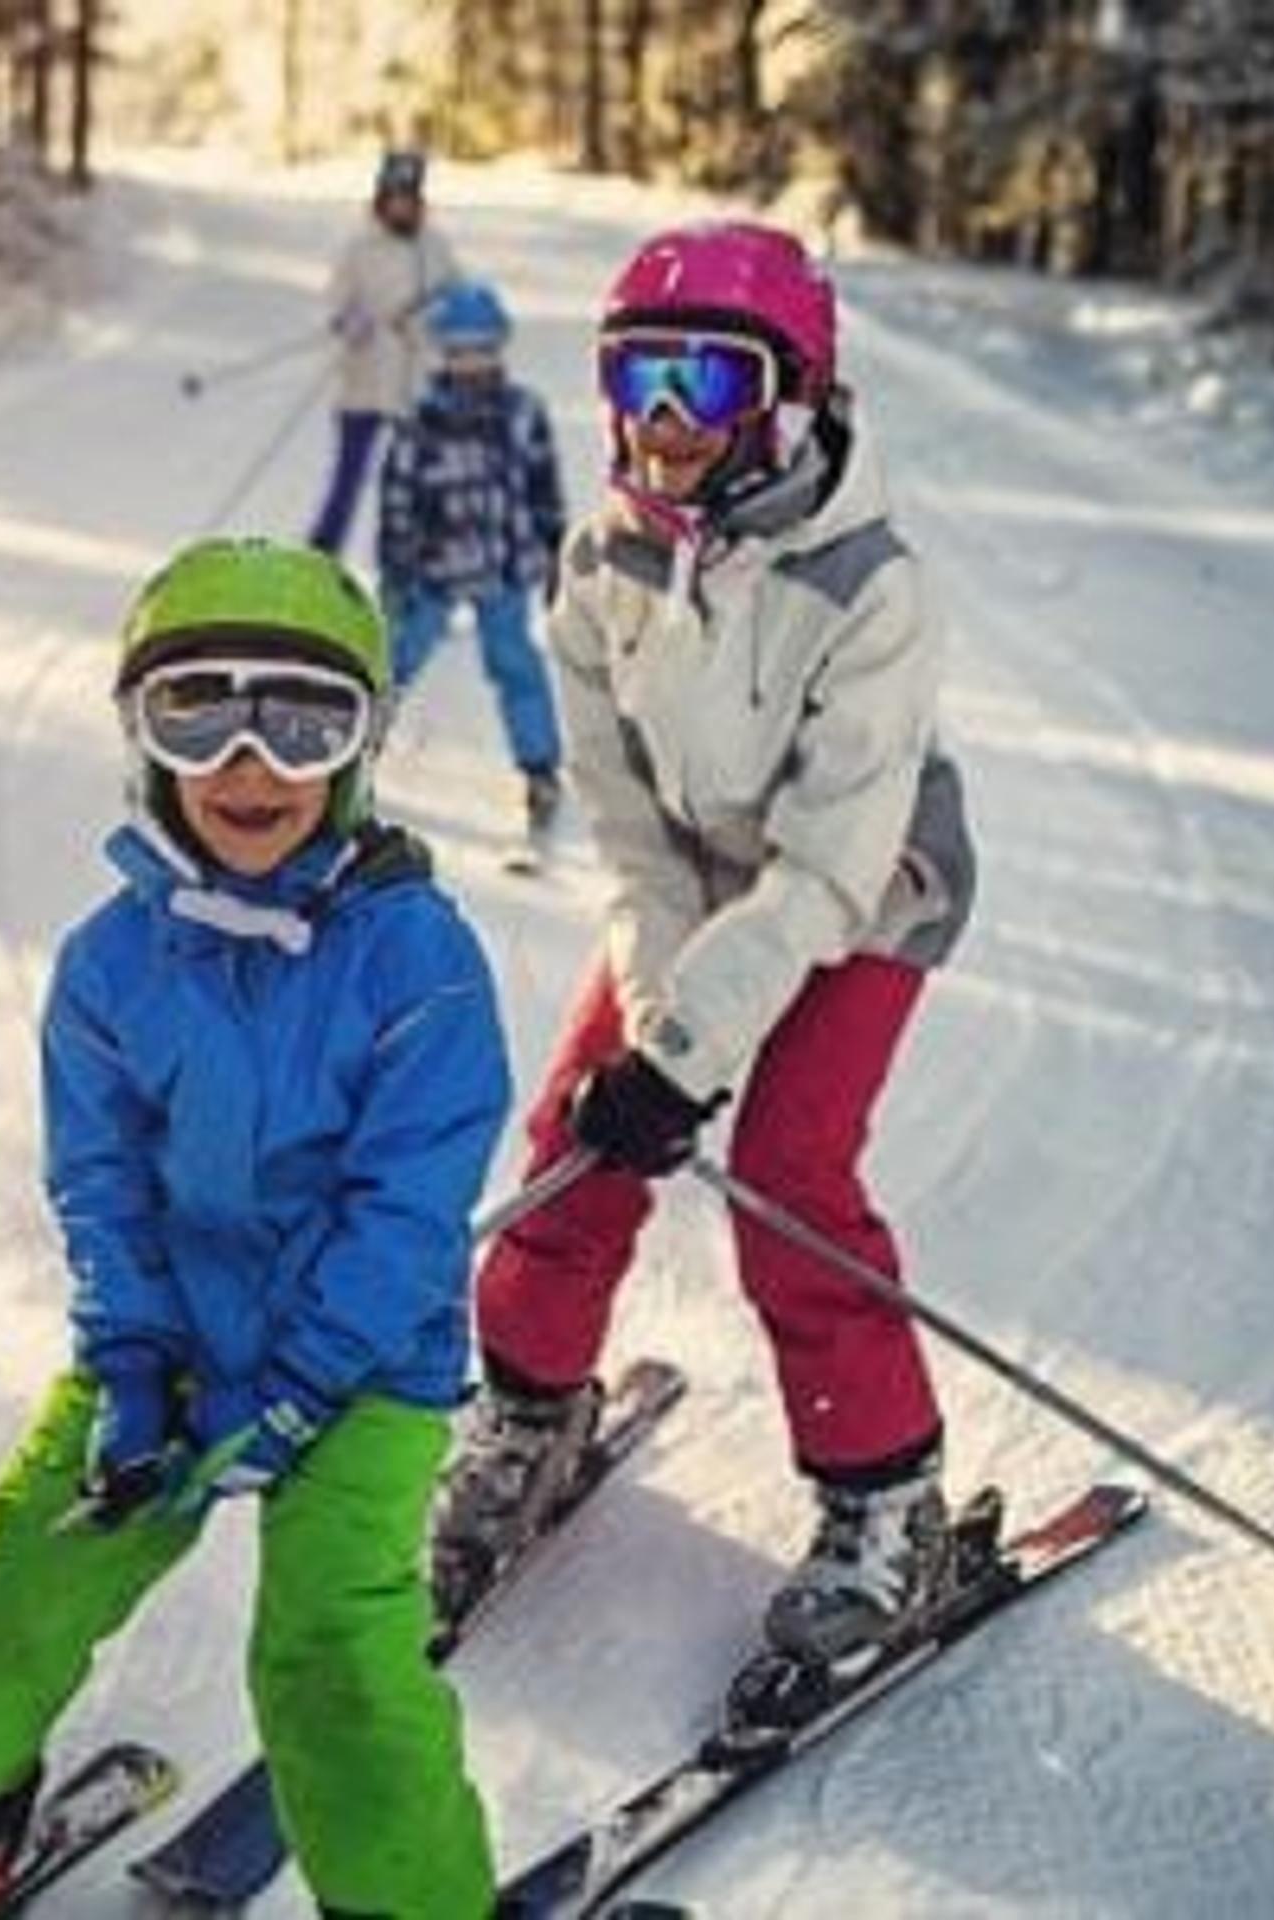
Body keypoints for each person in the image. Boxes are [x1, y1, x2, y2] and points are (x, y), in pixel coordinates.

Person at [0, 538, 509, 1920]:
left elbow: (412, 1205)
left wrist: (310, 1384)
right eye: (200, 713)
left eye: (303, 722)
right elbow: (103, 1187)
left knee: (329, 1658)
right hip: (175, 1344)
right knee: (5, 1589)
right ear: (143, 739)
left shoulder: (417, 956)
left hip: (363, 1369)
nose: (252, 766)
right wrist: (131, 1361)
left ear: (362, 746)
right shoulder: (108, 966)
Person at [426, 221, 980, 1675]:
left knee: (790, 1172)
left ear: (792, 395)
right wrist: (663, 1041)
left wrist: (691, 1057)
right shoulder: (598, 562)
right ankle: (531, 1415)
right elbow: (627, 836)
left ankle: (885, 1499)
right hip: (691, 879)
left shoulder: (871, 586)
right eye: (639, 378)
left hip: (858, 892)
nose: (664, 424)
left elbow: (819, 875)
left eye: (708, 385)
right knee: (577, 1135)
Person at [374, 277, 571, 850]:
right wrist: (397, 566)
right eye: (460, 352)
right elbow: (397, 494)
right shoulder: (420, 420)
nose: (472, 364)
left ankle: (539, 768)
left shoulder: (523, 412)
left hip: (504, 565)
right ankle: (348, 755)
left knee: (515, 663)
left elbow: (543, 484)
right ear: (443, 353)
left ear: (500, 348)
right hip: (432, 569)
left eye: (483, 350)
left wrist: (555, 548)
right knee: (395, 657)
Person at [306, 148, 461, 558]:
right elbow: (334, 302)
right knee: (348, 478)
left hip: (416, 386)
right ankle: (322, 554)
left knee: (415, 479)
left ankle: (414, 560)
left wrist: (428, 320)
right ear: (381, 198)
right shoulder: (358, 246)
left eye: (409, 198)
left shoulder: (435, 246)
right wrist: (349, 322)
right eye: (395, 197)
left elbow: (456, 300)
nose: (402, 206)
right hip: (365, 383)